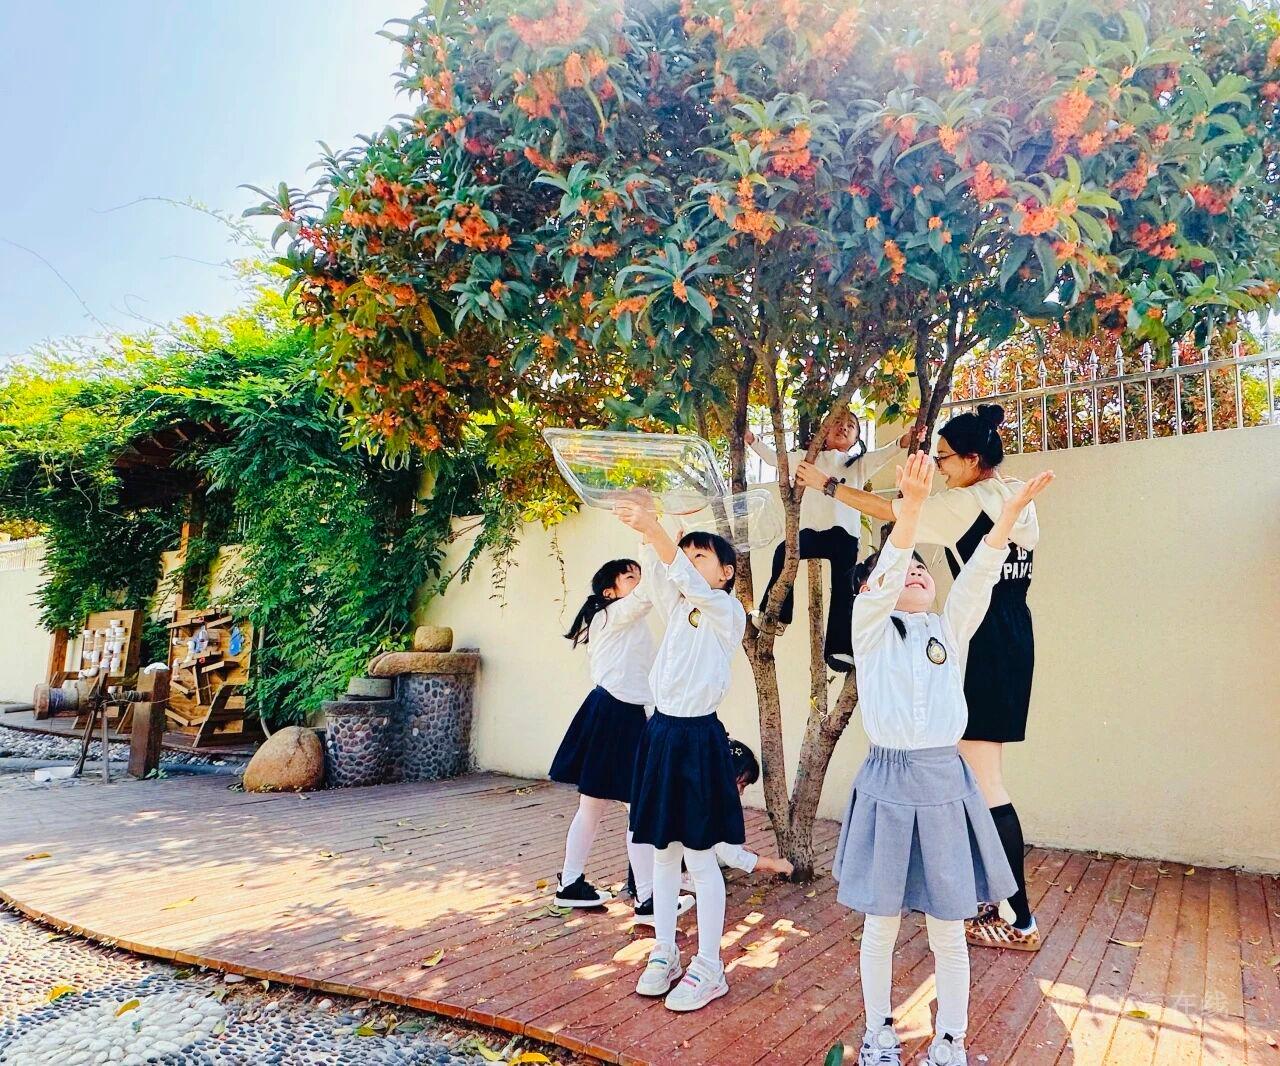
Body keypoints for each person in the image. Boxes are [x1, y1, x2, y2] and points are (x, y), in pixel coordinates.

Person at [832, 451, 1052, 1066]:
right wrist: (909, 512)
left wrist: (1007, 517)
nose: (916, 572)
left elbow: (978, 576)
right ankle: (879, 1035)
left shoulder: (947, 631)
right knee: (881, 926)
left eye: (922, 568)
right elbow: (888, 569)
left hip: (945, 784)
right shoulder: (870, 631)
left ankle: (949, 1039)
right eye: (903, 570)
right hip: (889, 782)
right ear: (873, 590)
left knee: (949, 928)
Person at [797, 404, 1044, 950]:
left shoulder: (964, 504)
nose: (940, 467)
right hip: (1013, 632)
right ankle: (986, 899)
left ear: (972, 459)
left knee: (984, 781)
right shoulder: (1014, 496)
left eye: (945, 458)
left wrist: (826, 485)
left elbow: (892, 511)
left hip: (980, 639)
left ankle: (1018, 916)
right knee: (974, 777)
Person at [613, 496, 746, 1012]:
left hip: (697, 740)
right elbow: (660, 571)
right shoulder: (681, 607)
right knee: (663, 853)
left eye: (701, 556)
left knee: (701, 857)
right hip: (661, 735)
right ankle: (664, 951)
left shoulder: (727, 611)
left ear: (726, 572)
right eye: (686, 554)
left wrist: (657, 529)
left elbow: (682, 577)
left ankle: (710, 966)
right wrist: (650, 527)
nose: (688, 563)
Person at [746, 410, 905, 672]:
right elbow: (776, 459)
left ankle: (839, 648)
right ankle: (777, 615)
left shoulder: (858, 463)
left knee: (844, 586)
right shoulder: (808, 458)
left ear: (857, 438)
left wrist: (903, 441)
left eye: (851, 425)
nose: (844, 427)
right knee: (783, 553)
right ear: (824, 430)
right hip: (811, 531)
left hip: (845, 534)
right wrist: (752, 439)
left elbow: (885, 454)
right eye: (837, 422)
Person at [549, 559, 664, 912]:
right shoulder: (611, 615)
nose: (639, 581)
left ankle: (571, 883)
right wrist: (656, 545)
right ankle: (647, 898)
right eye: (630, 577)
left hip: (618, 713)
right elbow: (645, 597)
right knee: (637, 808)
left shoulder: (625, 620)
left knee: (594, 806)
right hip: (616, 713)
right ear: (609, 592)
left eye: (640, 575)